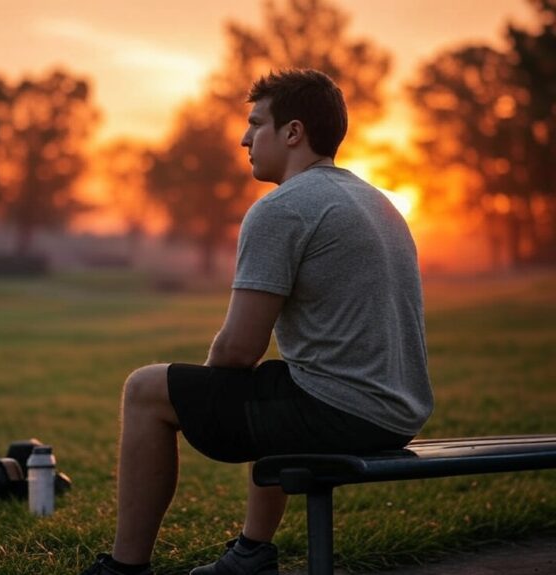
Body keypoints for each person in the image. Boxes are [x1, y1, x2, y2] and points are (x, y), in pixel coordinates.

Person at [80, 68, 433, 575]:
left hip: (343, 412)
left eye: (255, 123)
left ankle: (124, 567)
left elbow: (238, 350)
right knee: (270, 386)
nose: (245, 138)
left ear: (293, 132)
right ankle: (250, 553)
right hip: (399, 411)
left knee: (145, 390)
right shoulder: (376, 202)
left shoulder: (283, 208)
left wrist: (200, 393)